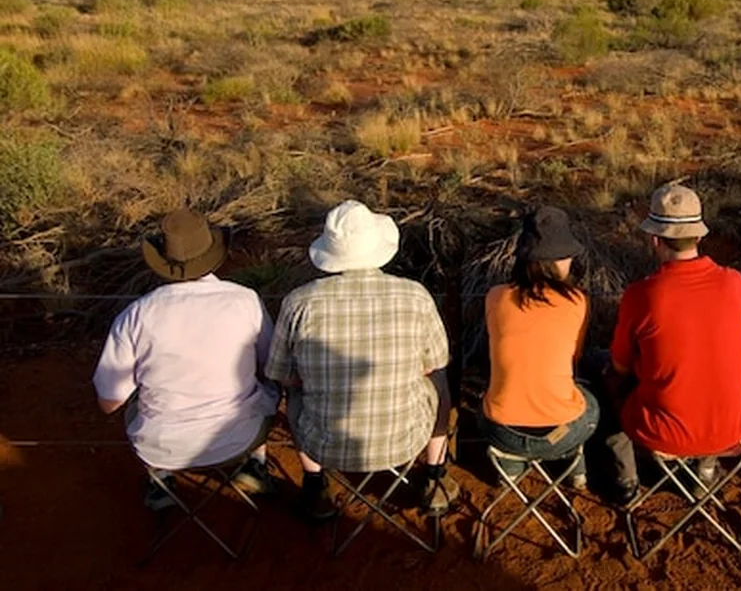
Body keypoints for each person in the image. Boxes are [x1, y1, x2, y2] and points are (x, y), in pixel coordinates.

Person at [265, 200, 458, 520]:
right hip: (406, 439)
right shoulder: (415, 295)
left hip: (324, 443)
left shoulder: (298, 302)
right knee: (438, 380)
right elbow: (433, 363)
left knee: (295, 394)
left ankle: (315, 485)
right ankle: (435, 477)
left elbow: (283, 375)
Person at [93, 208, 279, 511]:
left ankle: (162, 480)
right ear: (213, 252)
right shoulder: (245, 300)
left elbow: (108, 402)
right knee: (263, 381)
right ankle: (254, 466)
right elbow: (272, 364)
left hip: (161, 445)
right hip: (239, 437)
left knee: (135, 395)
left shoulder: (136, 315)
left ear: (163, 261)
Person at [598, 183, 741, 505]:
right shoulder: (733, 283)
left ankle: (625, 479)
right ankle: (705, 472)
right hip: (731, 428)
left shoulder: (642, 294)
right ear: (699, 236)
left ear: (655, 239)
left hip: (663, 432)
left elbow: (621, 365)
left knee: (608, 380)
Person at [479, 206, 598, 489]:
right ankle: (572, 462)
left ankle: (509, 465)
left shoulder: (495, 296)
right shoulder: (577, 300)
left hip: (501, 430)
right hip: (560, 431)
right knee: (590, 403)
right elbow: (574, 358)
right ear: (558, 259)